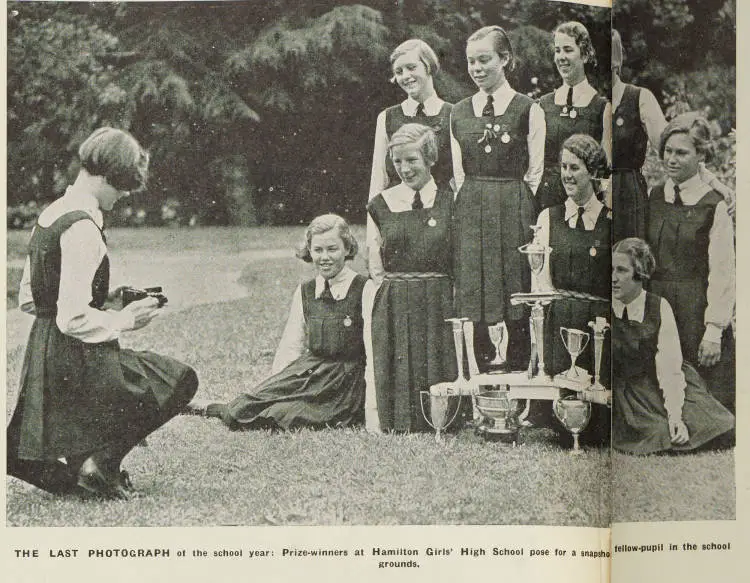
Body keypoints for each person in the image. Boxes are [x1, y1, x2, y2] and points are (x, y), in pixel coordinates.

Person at [7, 127, 198, 500]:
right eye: (124, 185)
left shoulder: (52, 214)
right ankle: (102, 466)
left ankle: (84, 477)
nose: (125, 195)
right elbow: (72, 319)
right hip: (76, 356)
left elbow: (31, 299)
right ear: (108, 175)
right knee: (178, 380)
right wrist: (125, 320)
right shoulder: (83, 228)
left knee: (32, 449)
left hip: (45, 355)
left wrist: (106, 297)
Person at [188, 214, 374, 430]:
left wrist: (372, 410)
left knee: (282, 416)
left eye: (332, 249)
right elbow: (291, 344)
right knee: (246, 406)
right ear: (309, 251)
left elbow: (373, 349)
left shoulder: (364, 288)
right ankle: (210, 407)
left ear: (347, 249)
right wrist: (278, 383)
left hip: (345, 382)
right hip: (311, 371)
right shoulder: (305, 291)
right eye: (318, 250)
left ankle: (219, 409)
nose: (325, 257)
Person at [450, 25, 544, 369]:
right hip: (472, 206)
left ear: (504, 59)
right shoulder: (458, 112)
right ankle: (479, 374)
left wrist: (514, 204)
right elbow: (458, 174)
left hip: (513, 205)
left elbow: (535, 172)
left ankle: (517, 369)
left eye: (484, 60)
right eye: (471, 61)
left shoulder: (527, 109)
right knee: (474, 285)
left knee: (513, 283)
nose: (476, 68)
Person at [366, 124, 457, 432]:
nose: (404, 169)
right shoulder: (380, 204)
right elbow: (376, 262)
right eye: (398, 162)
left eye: (412, 161)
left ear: (430, 159)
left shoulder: (451, 201)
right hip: (396, 301)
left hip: (438, 301)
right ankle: (399, 420)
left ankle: (444, 419)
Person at [646, 112, 736, 412]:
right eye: (668, 151)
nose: (672, 159)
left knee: (706, 410)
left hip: (695, 315)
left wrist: (714, 331)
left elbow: (723, 274)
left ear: (701, 155)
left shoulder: (714, 205)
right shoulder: (655, 196)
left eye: (682, 153)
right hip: (658, 310)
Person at [611, 238, 733, 454]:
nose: (613, 278)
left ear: (639, 273)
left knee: (716, 425)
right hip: (627, 390)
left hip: (660, 381)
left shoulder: (658, 306)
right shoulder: (605, 304)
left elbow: (669, 366)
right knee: (657, 434)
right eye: (611, 269)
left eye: (621, 270)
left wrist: (675, 415)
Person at [611, 30, 733, 240]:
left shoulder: (639, 98)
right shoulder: (584, 102)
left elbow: (675, 150)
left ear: (615, 61)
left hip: (626, 198)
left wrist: (713, 183)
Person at [531, 134, 611, 442]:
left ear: (592, 171)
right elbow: (540, 281)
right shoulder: (548, 218)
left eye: (574, 167)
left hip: (597, 327)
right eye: (563, 167)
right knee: (560, 427)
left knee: (599, 426)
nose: (566, 174)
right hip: (561, 323)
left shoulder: (610, 219)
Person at [537, 21, 611, 211]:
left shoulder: (601, 108)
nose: (561, 57)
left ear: (585, 55)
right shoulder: (543, 105)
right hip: (548, 202)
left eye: (568, 50)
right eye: (558, 50)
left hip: (585, 204)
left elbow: (605, 171)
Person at [369, 39, 454, 200]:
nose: (406, 76)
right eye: (399, 72)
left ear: (428, 66)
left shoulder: (454, 114)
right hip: (398, 212)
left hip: (442, 214)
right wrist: (374, 222)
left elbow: (460, 177)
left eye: (411, 67)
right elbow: (378, 179)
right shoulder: (387, 118)